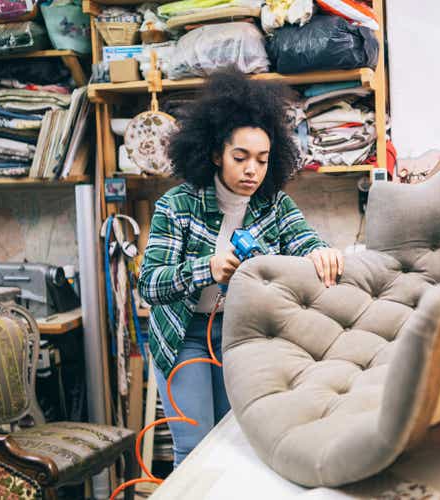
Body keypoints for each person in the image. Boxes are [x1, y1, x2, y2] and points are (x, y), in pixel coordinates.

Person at [138, 69, 344, 466]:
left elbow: (306, 242)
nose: (253, 169)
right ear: (216, 154)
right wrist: (207, 269)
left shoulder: (276, 206)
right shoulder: (176, 205)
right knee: (196, 450)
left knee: (238, 445)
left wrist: (322, 252)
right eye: (241, 157)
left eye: (262, 160)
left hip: (241, 335)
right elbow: (150, 284)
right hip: (184, 337)